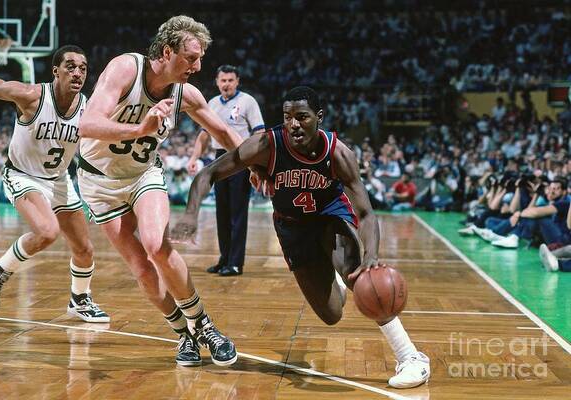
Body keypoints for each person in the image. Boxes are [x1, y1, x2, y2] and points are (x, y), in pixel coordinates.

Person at [171, 86, 431, 388]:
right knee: (331, 314)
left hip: (330, 218)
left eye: (302, 117)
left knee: (359, 277)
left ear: (318, 118)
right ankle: (335, 280)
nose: (293, 124)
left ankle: (411, 357)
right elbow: (208, 174)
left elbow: (368, 213)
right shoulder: (268, 145)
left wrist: (371, 255)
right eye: (287, 117)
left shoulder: (338, 153)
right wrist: (190, 213)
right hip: (292, 228)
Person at [77, 15, 243, 367]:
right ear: (167, 52)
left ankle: (205, 326)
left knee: (157, 245)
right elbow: (87, 125)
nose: (197, 67)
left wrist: (260, 165)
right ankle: (184, 334)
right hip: (99, 182)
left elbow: (225, 135)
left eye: (200, 59)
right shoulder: (125, 68)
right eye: (191, 58)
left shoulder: (186, 93)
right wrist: (141, 127)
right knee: (140, 268)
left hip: (142, 174)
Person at [0, 45, 109, 322]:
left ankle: (79, 300)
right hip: (22, 175)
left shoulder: (89, 108)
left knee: (84, 249)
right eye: (70, 66)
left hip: (59, 179)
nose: (78, 72)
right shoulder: (32, 96)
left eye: (83, 68)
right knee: (47, 232)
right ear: (55, 71)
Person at [188, 65, 265, 276]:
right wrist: (194, 158)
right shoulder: (211, 103)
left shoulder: (248, 101)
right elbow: (204, 135)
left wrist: (254, 163)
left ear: (237, 81)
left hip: (240, 158)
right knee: (222, 212)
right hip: (218, 159)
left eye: (230, 80)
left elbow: (259, 133)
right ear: (217, 81)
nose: (226, 84)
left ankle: (235, 263)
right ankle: (224, 259)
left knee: (238, 214)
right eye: (223, 80)